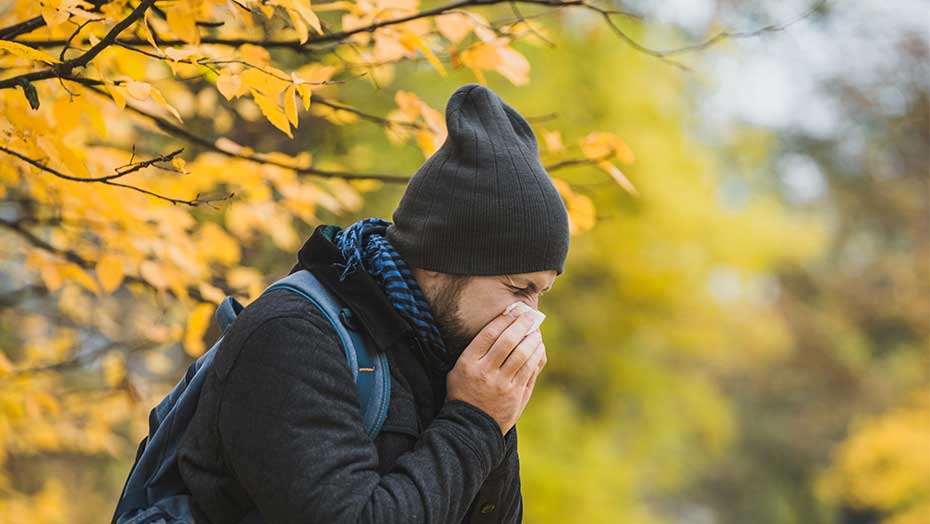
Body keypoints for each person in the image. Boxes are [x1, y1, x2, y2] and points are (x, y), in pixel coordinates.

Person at [177, 82, 571, 523]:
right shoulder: (291, 336)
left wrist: (493, 416)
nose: (530, 316)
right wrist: (475, 421)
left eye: (541, 292)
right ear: (440, 262)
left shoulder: (451, 358)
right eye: (518, 287)